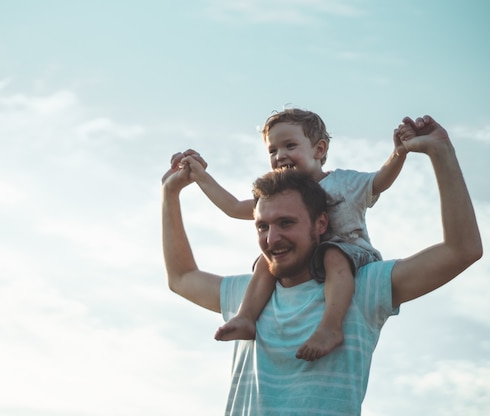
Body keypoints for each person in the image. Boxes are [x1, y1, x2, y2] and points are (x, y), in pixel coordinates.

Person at [161, 115, 482, 415]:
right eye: (262, 226)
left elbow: (461, 250)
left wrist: (440, 152)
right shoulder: (251, 295)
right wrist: (170, 193)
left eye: (286, 222)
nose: (272, 238)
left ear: (320, 223)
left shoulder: (363, 287)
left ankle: (329, 329)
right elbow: (181, 277)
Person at [171, 108, 407, 361]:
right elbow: (233, 207)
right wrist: (200, 176)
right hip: (304, 261)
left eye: (290, 146)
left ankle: (330, 327)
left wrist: (399, 152)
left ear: (319, 150)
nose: (280, 155)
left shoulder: (344, 183)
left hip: (351, 256)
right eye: (272, 151)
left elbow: (381, 180)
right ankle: (246, 316)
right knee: (266, 261)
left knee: (333, 255)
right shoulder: (278, 197)